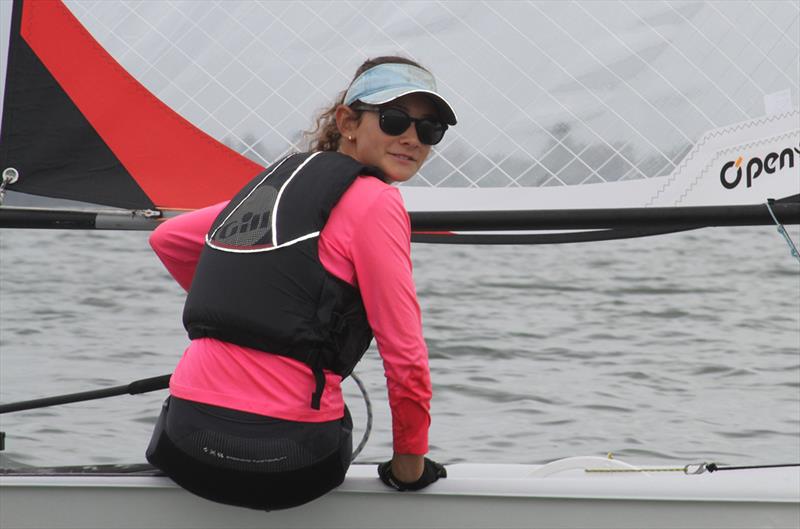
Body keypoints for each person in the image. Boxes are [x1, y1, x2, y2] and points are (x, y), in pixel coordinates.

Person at [145, 56, 457, 510]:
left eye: (429, 131)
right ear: (348, 121)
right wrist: (409, 467)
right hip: (291, 463)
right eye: (394, 120)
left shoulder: (275, 187)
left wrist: (256, 302)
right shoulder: (378, 203)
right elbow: (405, 356)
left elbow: (169, 239)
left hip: (184, 442)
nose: (411, 138)